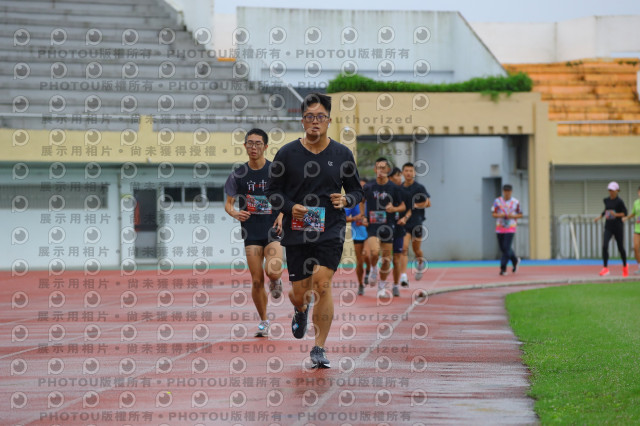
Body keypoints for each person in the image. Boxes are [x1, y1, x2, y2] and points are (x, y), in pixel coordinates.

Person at [267, 92, 363, 368]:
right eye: (309, 117)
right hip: (298, 230)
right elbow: (272, 193)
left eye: (320, 116)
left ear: (329, 120)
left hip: (330, 227)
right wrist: (290, 207)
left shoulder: (342, 154)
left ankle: (319, 348)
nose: (315, 121)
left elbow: (357, 191)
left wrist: (346, 200)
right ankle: (300, 309)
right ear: (302, 120)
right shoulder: (287, 153)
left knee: (323, 283)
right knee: (299, 293)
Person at [224, 128, 284, 337]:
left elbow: (289, 196)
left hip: (273, 228)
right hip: (251, 231)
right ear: (245, 146)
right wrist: (234, 213)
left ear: (265, 146)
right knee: (257, 279)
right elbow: (229, 204)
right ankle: (264, 321)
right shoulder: (238, 174)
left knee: (273, 270)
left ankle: (276, 281)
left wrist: (282, 215)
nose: (253, 147)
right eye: (250, 143)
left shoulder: (276, 171)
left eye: (258, 143)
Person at [361, 158, 405, 298]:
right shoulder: (368, 187)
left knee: (386, 260)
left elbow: (403, 206)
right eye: (378, 168)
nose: (380, 171)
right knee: (374, 252)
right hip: (373, 225)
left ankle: (381, 287)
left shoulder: (394, 188)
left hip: (388, 226)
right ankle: (374, 269)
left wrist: (394, 208)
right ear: (375, 170)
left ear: (387, 170)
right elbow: (361, 201)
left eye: (383, 168)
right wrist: (363, 216)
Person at [401, 163, 431, 284]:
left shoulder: (419, 188)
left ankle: (420, 262)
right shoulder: (399, 188)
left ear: (414, 173)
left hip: (416, 221)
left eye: (411, 171)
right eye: (406, 171)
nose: (408, 173)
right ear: (403, 172)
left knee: (416, 249)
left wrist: (416, 205)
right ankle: (403, 275)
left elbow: (428, 203)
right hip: (403, 222)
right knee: (404, 247)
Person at [595, 181, 628, 277]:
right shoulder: (606, 200)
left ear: (617, 191)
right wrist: (599, 217)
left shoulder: (620, 201)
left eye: (612, 190)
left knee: (620, 247)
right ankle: (605, 268)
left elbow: (625, 213)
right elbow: (606, 210)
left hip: (618, 226)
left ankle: (625, 266)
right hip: (608, 226)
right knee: (604, 246)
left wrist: (616, 214)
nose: (611, 192)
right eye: (609, 190)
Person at [388, 167, 412, 297]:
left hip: (398, 228)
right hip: (384, 228)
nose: (399, 178)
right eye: (396, 176)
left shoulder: (404, 193)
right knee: (385, 258)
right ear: (390, 178)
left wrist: (404, 218)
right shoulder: (383, 192)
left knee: (397, 258)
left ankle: (396, 284)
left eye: (399, 175)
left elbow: (409, 209)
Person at [491, 184, 523, 276]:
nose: (507, 193)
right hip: (500, 227)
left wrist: (512, 216)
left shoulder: (515, 202)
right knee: (503, 248)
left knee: (506, 246)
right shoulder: (497, 201)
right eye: (505, 191)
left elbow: (520, 214)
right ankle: (515, 260)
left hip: (510, 227)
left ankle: (503, 268)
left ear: (511, 192)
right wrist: (500, 215)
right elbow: (493, 213)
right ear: (503, 192)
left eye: (508, 192)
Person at [345, 180, 369, 296]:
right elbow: (344, 218)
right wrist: (356, 218)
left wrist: (369, 222)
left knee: (368, 255)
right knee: (360, 261)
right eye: (360, 187)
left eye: (365, 187)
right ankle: (360, 284)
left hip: (371, 233)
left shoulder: (372, 201)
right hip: (358, 235)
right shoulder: (353, 202)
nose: (363, 189)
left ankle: (369, 271)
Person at [623, 185, 640, 275]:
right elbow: (633, 213)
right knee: (636, 248)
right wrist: (626, 218)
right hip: (637, 229)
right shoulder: (636, 203)